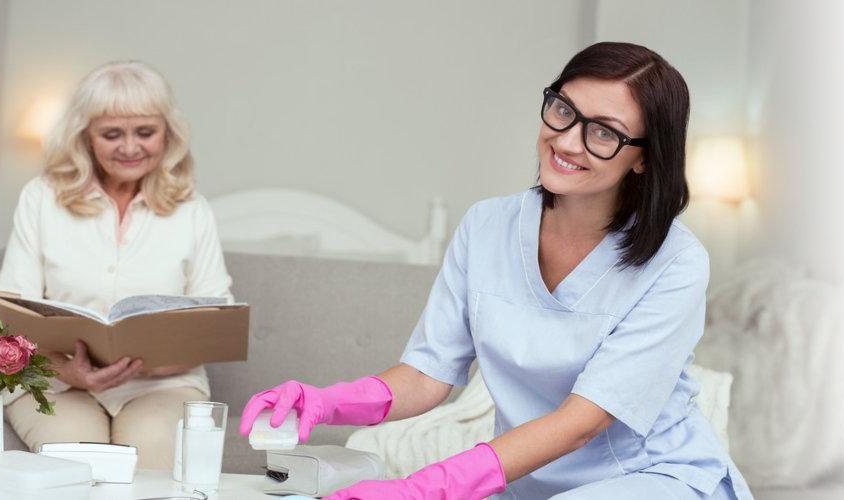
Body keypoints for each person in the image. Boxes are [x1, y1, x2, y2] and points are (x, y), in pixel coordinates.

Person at [239, 42, 753, 499]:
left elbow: (581, 423)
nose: (569, 141)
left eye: (604, 133)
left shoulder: (677, 262)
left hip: (654, 478)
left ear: (644, 159)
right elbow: (426, 374)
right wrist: (323, 402)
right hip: (527, 480)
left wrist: (422, 489)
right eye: (563, 110)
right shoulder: (486, 225)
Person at [0, 60, 232, 469]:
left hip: (164, 385)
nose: (130, 147)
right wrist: (70, 373)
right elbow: (11, 318)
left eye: (145, 132)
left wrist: (146, 364)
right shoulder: (41, 199)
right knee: (76, 463)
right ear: (85, 135)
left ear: (167, 134)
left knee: (150, 455)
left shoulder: (193, 211)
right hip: (57, 384)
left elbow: (215, 322)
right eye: (111, 134)